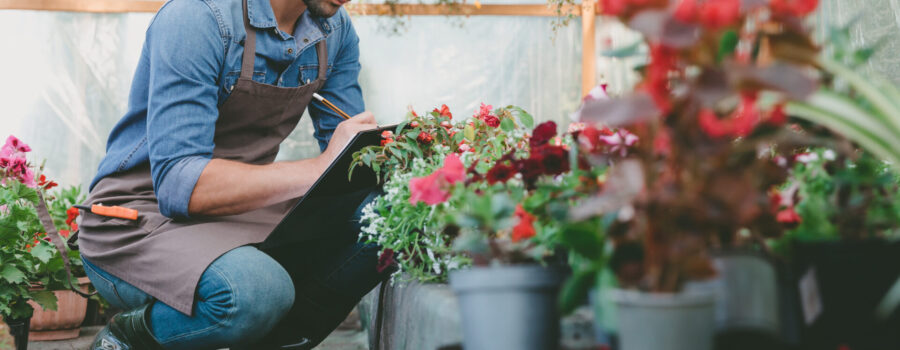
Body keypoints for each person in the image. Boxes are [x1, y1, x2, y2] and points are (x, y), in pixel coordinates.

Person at [77, 0, 390, 348]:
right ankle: (127, 338)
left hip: (242, 213)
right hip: (140, 220)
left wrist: (417, 173)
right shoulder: (197, 18)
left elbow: (352, 164)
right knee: (253, 290)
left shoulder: (334, 30)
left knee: (385, 220)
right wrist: (318, 167)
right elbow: (181, 184)